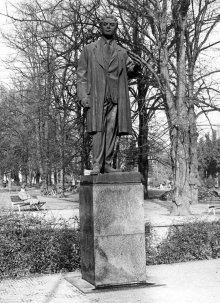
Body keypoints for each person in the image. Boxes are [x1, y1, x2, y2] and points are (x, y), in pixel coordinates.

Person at [77, 14, 139, 174]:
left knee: (111, 130)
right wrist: (83, 96)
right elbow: (81, 74)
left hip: (115, 96)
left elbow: (129, 71)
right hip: (96, 95)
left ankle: (107, 163)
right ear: (101, 26)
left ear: (116, 27)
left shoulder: (122, 52)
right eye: (106, 24)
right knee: (98, 129)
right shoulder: (89, 49)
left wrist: (135, 68)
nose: (109, 27)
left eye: (112, 24)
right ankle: (97, 164)